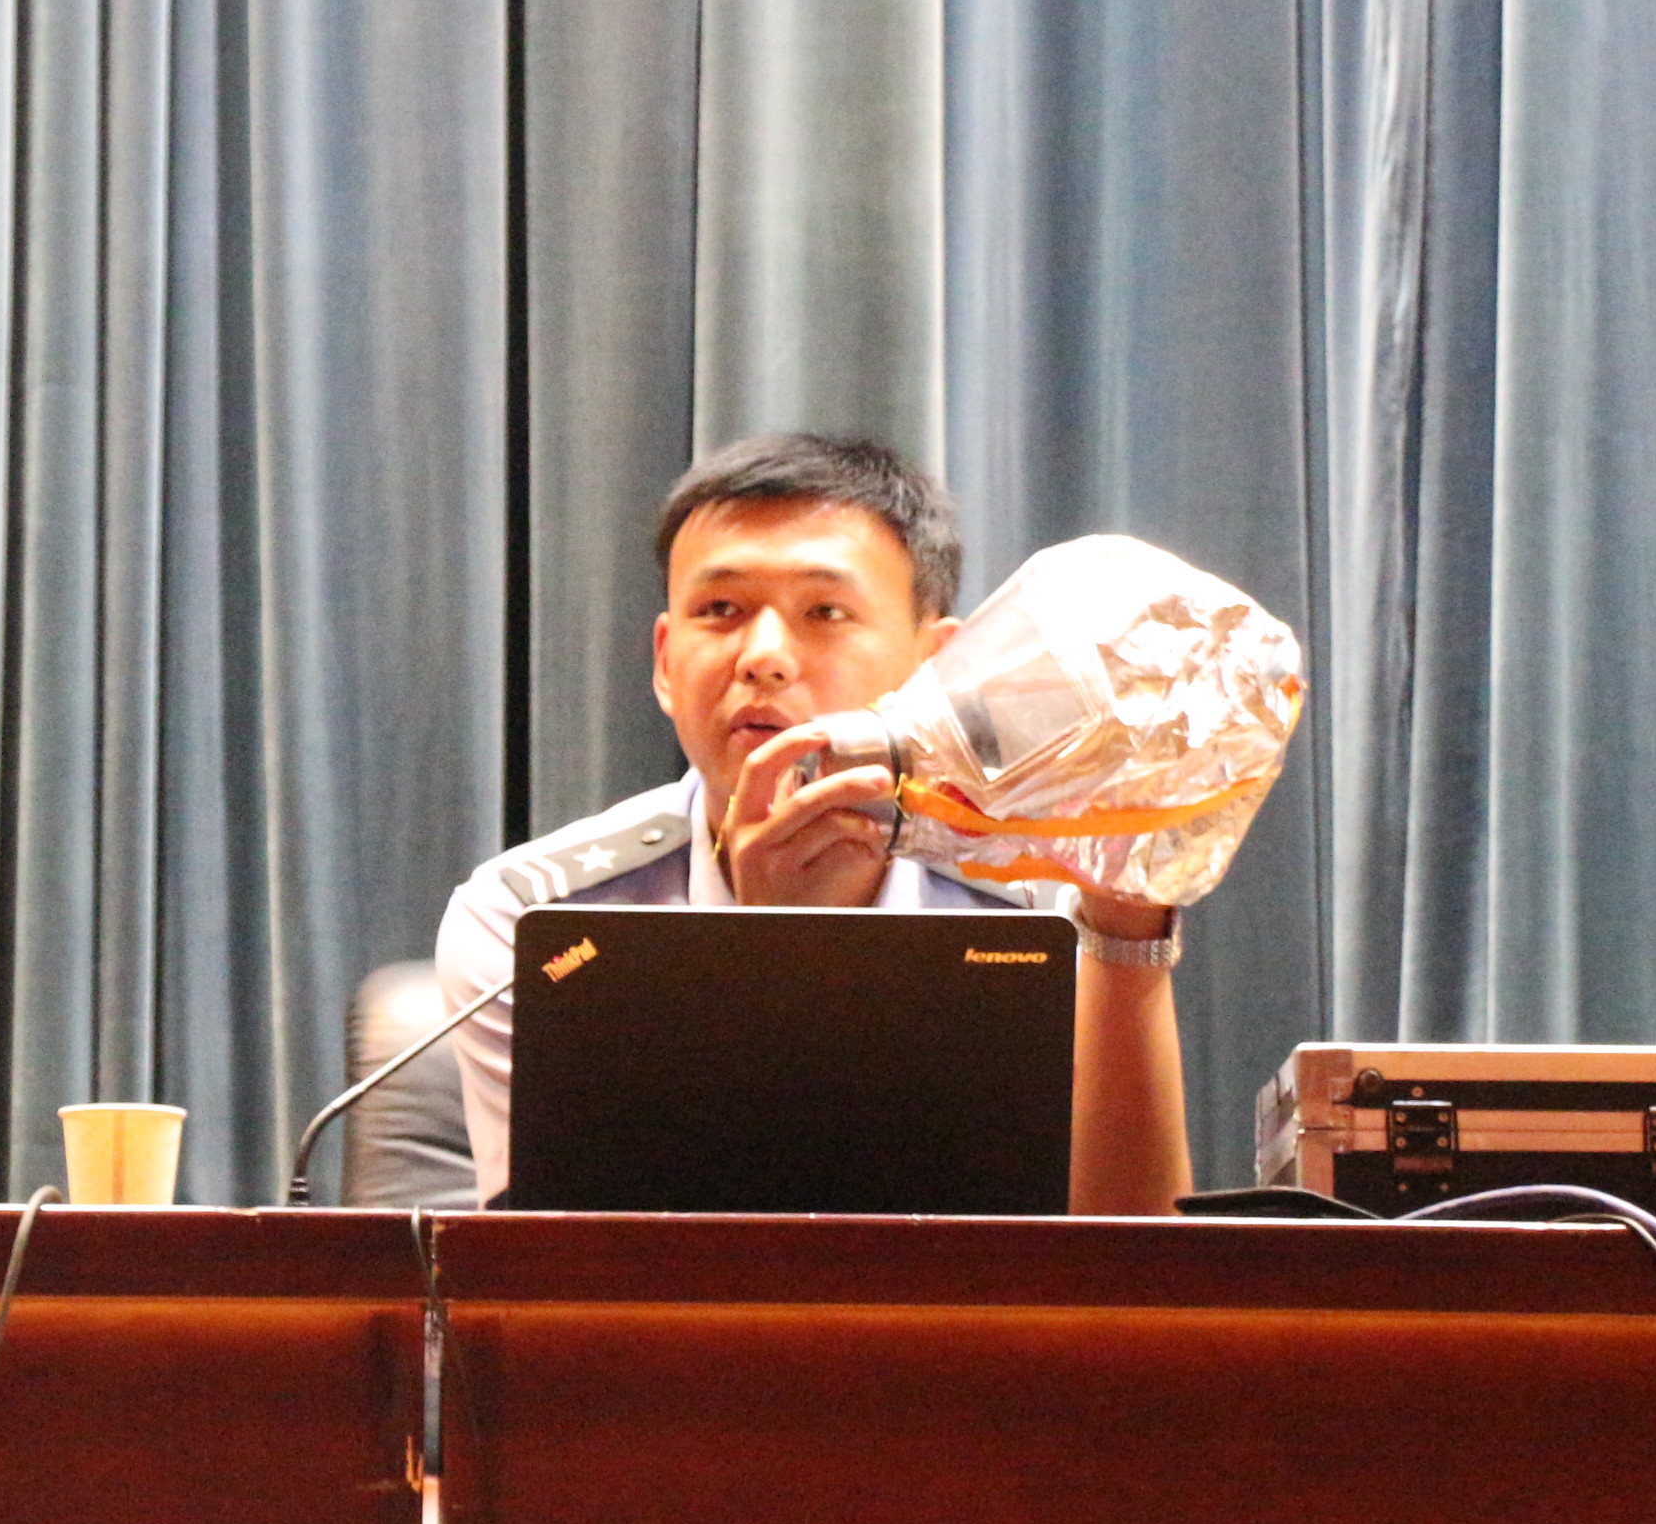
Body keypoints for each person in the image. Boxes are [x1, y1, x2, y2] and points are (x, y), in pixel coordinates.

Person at [435, 433, 1195, 1212]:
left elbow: (1134, 1259)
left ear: (936, 669)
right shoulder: (534, 919)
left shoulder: (1049, 899)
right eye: (720, 610)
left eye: (825, 611)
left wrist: (1126, 925)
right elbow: (577, 1268)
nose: (763, 656)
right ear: (665, 663)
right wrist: (772, 961)